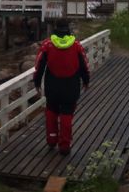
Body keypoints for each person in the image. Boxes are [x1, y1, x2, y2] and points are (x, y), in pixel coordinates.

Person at [33, 19, 90, 155]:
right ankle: (64, 145)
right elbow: (84, 65)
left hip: (52, 85)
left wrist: (37, 82)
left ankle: (52, 140)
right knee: (67, 114)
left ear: (55, 28)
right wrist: (86, 81)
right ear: (68, 28)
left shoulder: (47, 44)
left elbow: (39, 65)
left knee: (51, 111)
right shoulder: (76, 45)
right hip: (71, 86)